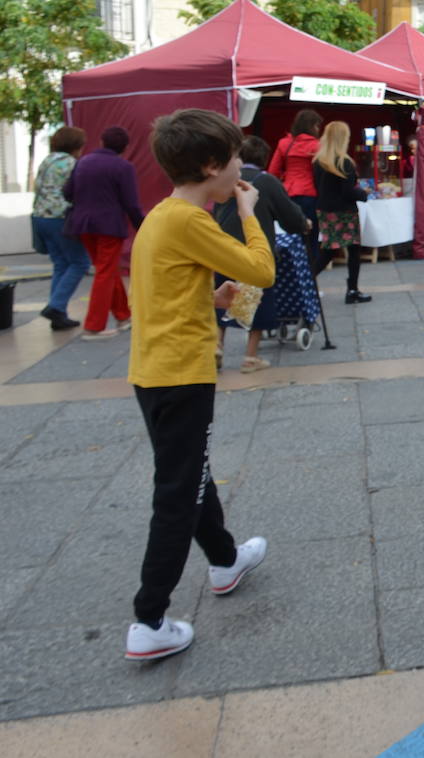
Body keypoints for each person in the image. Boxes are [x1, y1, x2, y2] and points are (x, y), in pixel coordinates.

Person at [123, 108, 275, 661]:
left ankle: (226, 559)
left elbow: (157, 289)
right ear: (212, 165)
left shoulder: (164, 216)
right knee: (178, 493)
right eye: (235, 156)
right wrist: (248, 210)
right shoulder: (192, 220)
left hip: (155, 370)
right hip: (181, 375)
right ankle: (149, 620)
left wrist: (206, 300)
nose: (240, 165)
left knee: (191, 473)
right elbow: (261, 270)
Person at [213, 136, 310, 372]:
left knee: (220, 299)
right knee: (258, 298)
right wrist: (303, 224)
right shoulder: (266, 182)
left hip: (222, 248)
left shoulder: (227, 181)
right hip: (253, 248)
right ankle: (250, 356)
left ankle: (216, 346)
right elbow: (289, 216)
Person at [63, 125, 143, 339]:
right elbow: (131, 204)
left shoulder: (83, 162)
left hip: (83, 225)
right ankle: (93, 326)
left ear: (101, 142)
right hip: (109, 226)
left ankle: (123, 316)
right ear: (125, 147)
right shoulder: (123, 167)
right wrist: (142, 227)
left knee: (106, 269)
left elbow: (67, 192)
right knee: (105, 272)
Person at [31, 126, 90, 330]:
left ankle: (59, 314)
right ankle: (56, 306)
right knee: (80, 262)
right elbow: (78, 191)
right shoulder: (72, 164)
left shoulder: (47, 161)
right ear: (75, 146)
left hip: (40, 217)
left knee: (60, 264)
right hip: (61, 217)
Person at [311, 121, 372, 303]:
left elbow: (319, 187)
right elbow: (348, 191)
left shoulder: (319, 161)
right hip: (345, 212)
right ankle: (352, 289)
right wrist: (363, 193)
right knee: (353, 251)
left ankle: (306, 281)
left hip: (325, 210)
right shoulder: (344, 162)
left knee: (329, 250)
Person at [268, 109, 323, 262]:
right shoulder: (317, 146)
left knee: (291, 236)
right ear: (312, 126)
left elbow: (273, 171)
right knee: (311, 239)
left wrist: (286, 178)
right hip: (310, 194)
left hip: (288, 193)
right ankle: (310, 277)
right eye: (317, 126)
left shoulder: (284, 143)